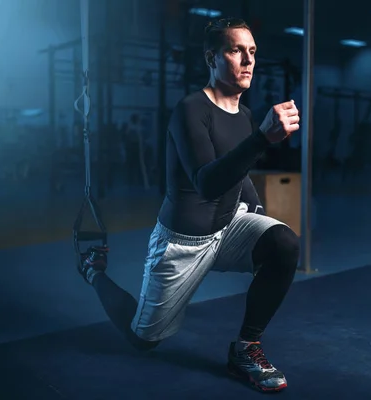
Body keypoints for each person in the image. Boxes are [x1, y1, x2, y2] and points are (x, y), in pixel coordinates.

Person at [77, 18, 300, 393]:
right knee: (144, 340)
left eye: (252, 52)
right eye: (235, 50)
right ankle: (93, 272)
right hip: (184, 240)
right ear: (212, 58)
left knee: (284, 244)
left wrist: (256, 207)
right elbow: (208, 181)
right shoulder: (190, 110)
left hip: (230, 225)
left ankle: (246, 348)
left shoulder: (244, 114)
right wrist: (262, 138)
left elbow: (238, 169)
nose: (248, 60)